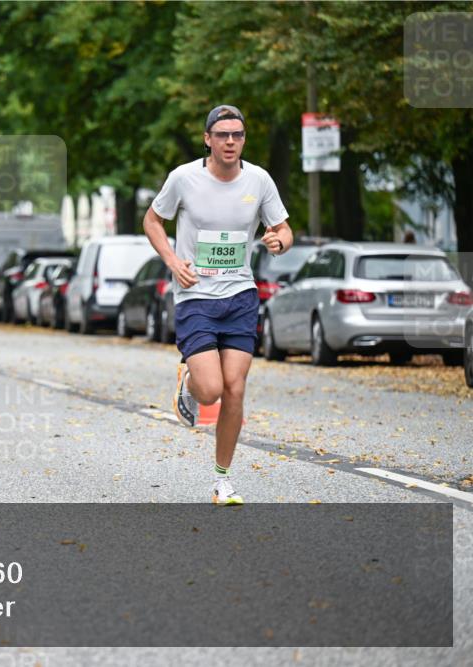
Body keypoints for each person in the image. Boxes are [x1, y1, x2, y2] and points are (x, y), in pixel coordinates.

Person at [142, 104, 294, 506]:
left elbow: (282, 227)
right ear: (208, 139)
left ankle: (223, 479)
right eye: (223, 134)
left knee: (235, 388)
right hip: (195, 295)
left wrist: (280, 241)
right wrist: (173, 262)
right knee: (210, 391)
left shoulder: (259, 180)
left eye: (238, 135)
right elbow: (152, 220)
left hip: (241, 294)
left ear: (244, 139)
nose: (231, 141)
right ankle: (190, 383)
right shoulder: (184, 178)